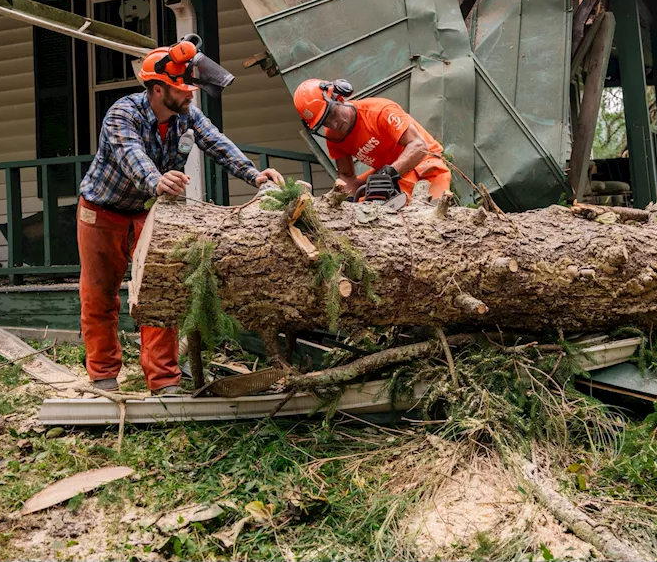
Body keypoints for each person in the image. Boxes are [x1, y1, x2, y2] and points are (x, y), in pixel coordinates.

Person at [77, 38, 283, 395]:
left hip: (148, 213)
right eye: (181, 89)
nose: (190, 95)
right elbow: (131, 156)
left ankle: (164, 380)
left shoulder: (186, 115)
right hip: (101, 212)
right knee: (99, 296)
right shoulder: (123, 113)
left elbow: (217, 142)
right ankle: (103, 375)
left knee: (161, 294)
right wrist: (157, 180)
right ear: (158, 89)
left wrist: (253, 174)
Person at [292, 78, 450, 202]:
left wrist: (389, 174)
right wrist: (346, 202)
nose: (334, 124)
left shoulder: (379, 111)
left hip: (423, 163)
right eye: (325, 121)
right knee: (363, 199)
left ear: (339, 98)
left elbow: (418, 145)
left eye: (332, 114)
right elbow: (346, 176)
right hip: (388, 171)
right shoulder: (334, 136)